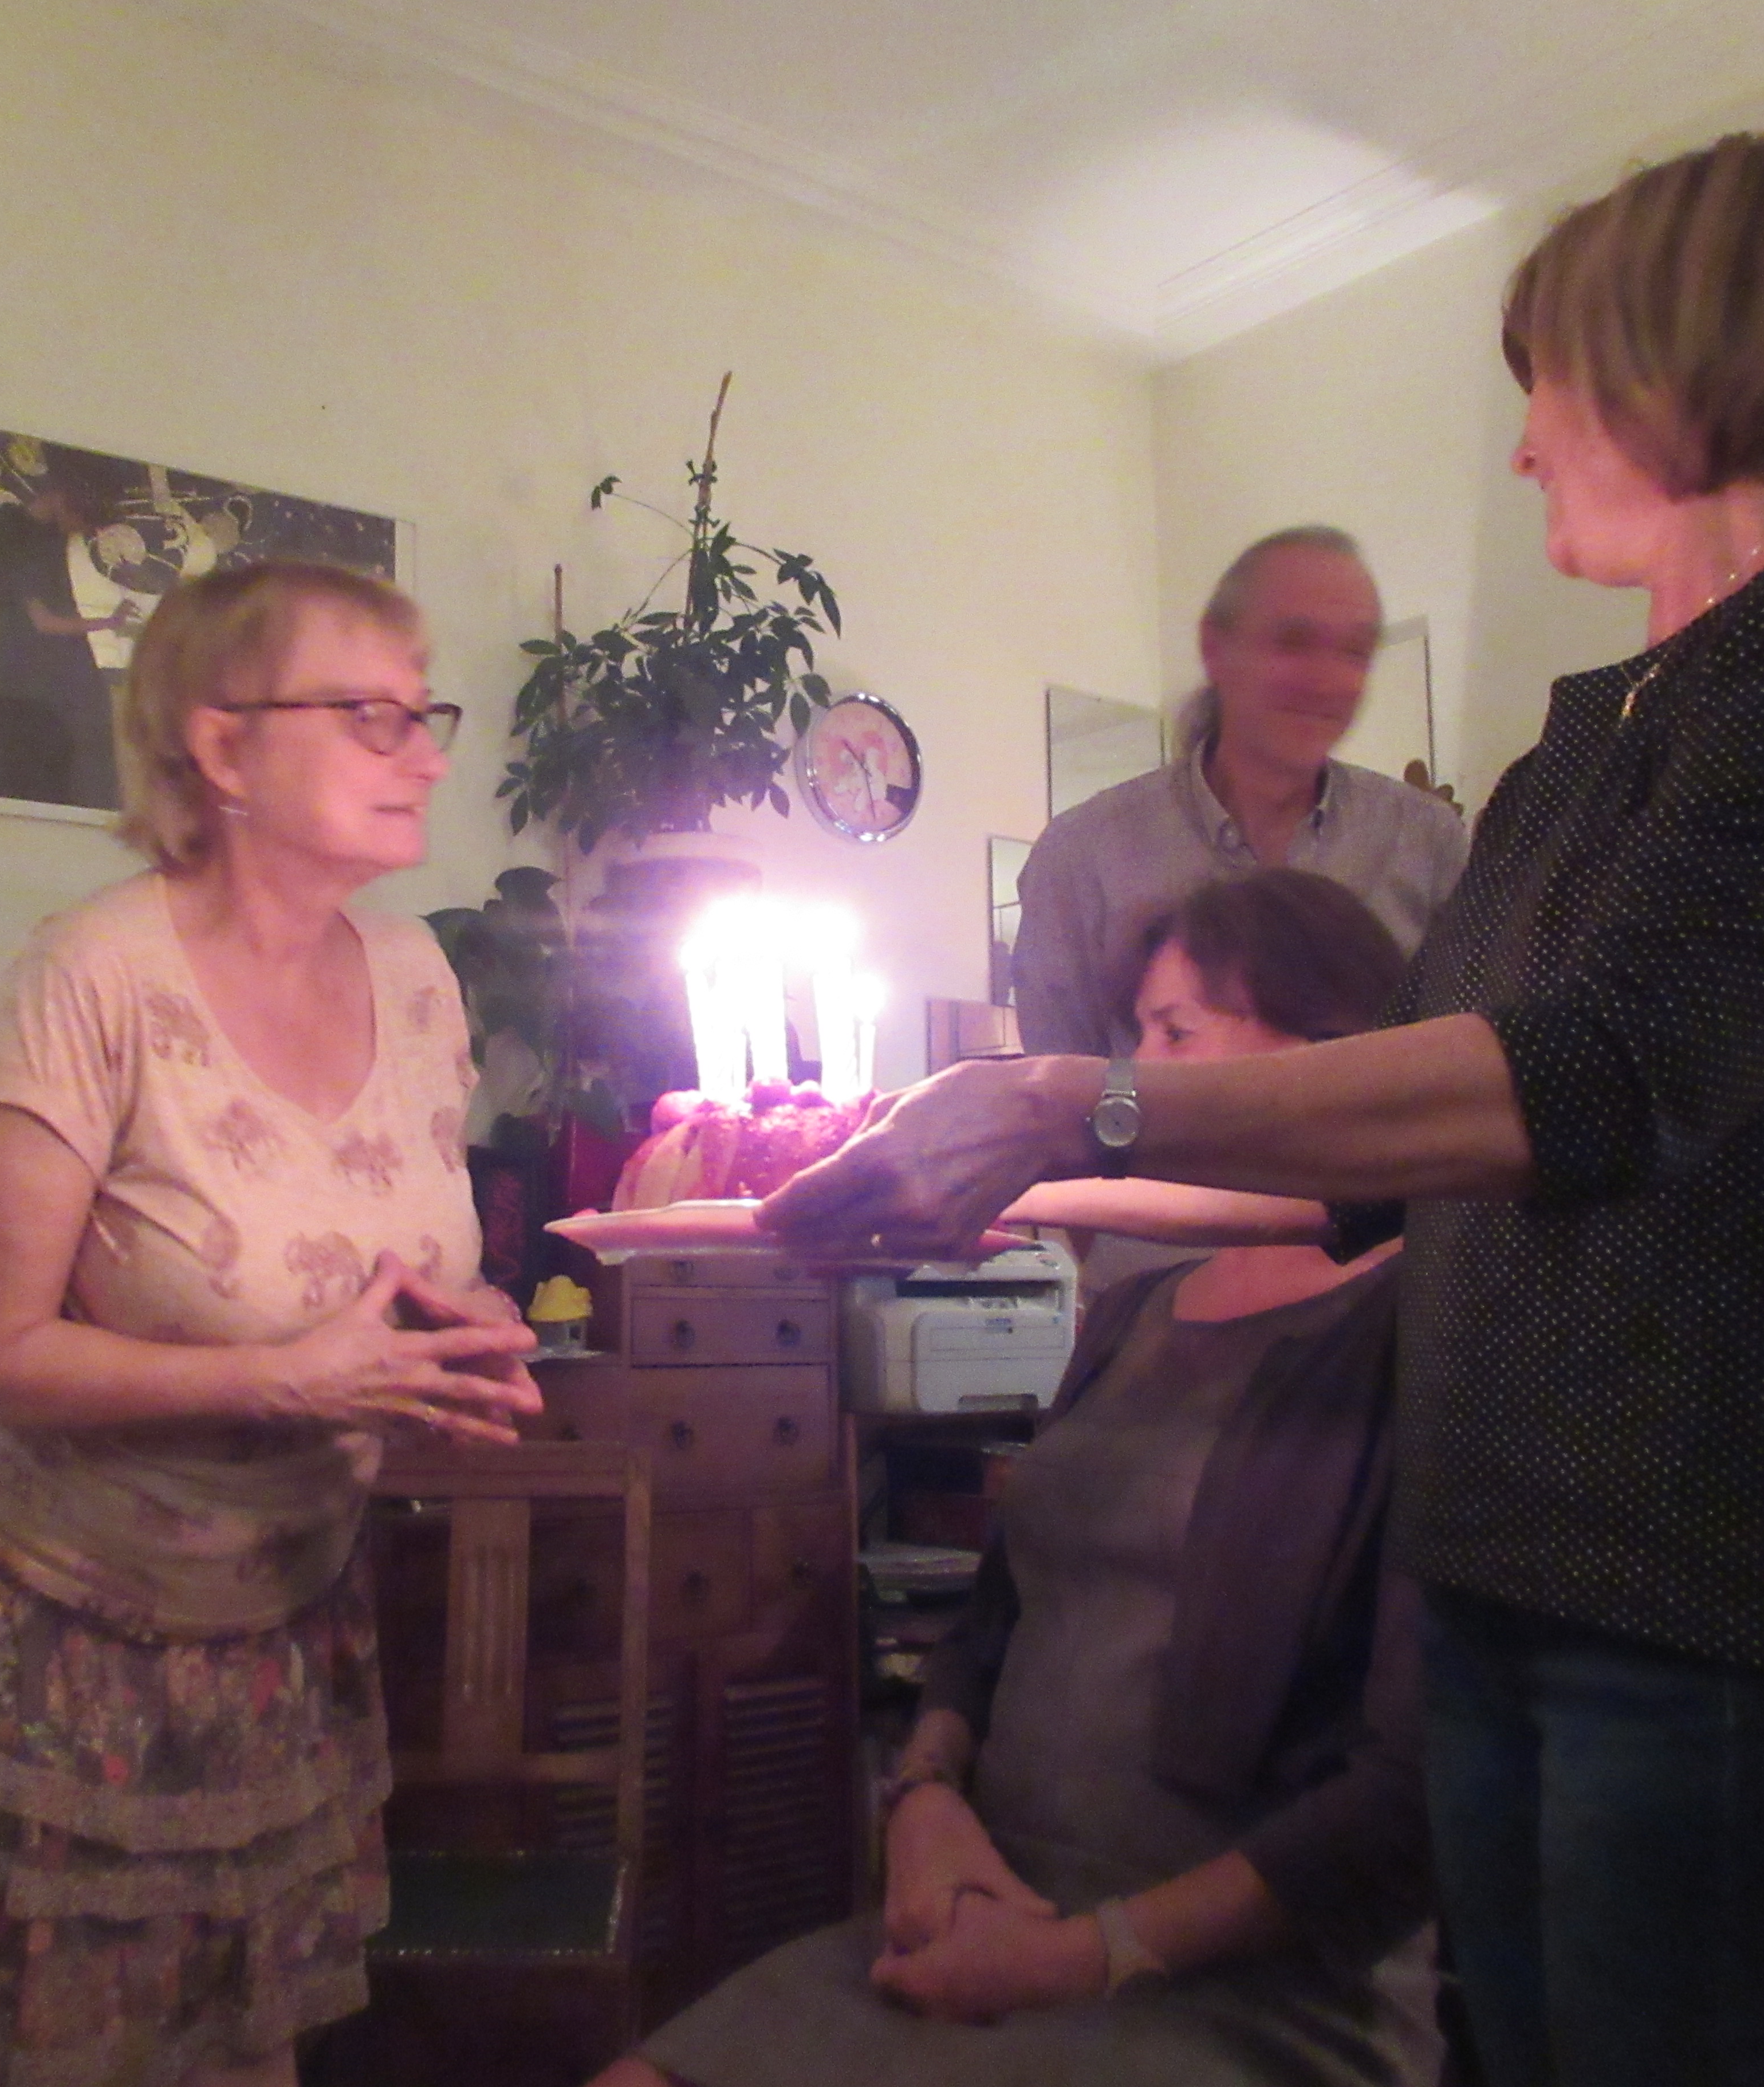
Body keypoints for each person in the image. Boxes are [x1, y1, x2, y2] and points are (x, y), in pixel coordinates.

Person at [762, 133, 1764, 2087]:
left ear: (1674, 359)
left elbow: (1598, 1071)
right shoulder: (1570, 759)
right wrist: (979, 1180)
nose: (1523, 442)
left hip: (1737, 1595)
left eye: (1549, 378)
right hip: (1510, 1580)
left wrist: (1062, 1102)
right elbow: (1365, 1176)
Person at [0, 559, 543, 2087]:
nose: (426, 754)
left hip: (279, 1612)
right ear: (221, 744)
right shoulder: (86, 978)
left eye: (426, 714)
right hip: (53, 1610)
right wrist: (288, 1379)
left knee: (240, 2046)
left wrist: (461, 1328)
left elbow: (382, 1241)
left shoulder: (417, 974)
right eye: (372, 714)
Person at [597, 870, 1439, 2087]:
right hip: (981, 1915)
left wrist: (1091, 1954)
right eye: (1135, 1033)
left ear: (1325, 1051)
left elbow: (1409, 1797)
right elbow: (993, 1619)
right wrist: (926, 1798)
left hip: (1237, 1981)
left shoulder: (1419, 1331)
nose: (1132, 1075)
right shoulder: (1134, 1314)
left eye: (1174, 1033)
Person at [1012, 526, 1466, 1060]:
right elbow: (1065, 1086)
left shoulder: (1427, 842)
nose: (1327, 681)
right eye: (1293, 642)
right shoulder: (1080, 858)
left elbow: (1457, 1066)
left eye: (1355, 652)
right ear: (1216, 649)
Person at [0, 442, 131, 809]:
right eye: (81, 518)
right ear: (64, 500)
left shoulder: (40, 538)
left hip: (48, 680)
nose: (80, 531)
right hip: (34, 684)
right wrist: (109, 621)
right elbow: (44, 622)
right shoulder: (18, 538)